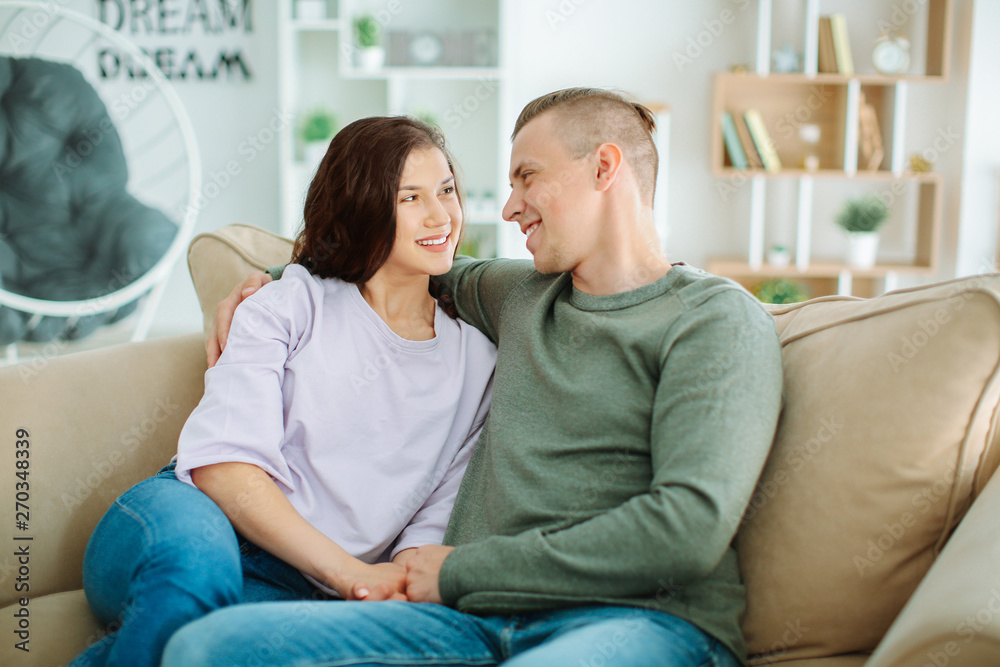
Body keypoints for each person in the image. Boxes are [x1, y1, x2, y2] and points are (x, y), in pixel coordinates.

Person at [165, 88, 784, 667]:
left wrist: (463, 573)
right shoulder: (519, 293)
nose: (510, 207)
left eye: (528, 178)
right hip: (468, 622)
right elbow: (382, 254)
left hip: (640, 619)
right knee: (208, 647)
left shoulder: (713, 318)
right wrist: (265, 286)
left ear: (604, 168)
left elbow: (686, 532)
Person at [68, 116, 496, 667]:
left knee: (202, 642)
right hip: (191, 516)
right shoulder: (290, 303)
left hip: (296, 583)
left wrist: (396, 582)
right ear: (361, 205)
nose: (440, 215)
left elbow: (432, 520)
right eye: (409, 197)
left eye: (446, 191)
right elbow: (222, 467)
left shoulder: (476, 362)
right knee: (192, 578)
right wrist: (350, 575)